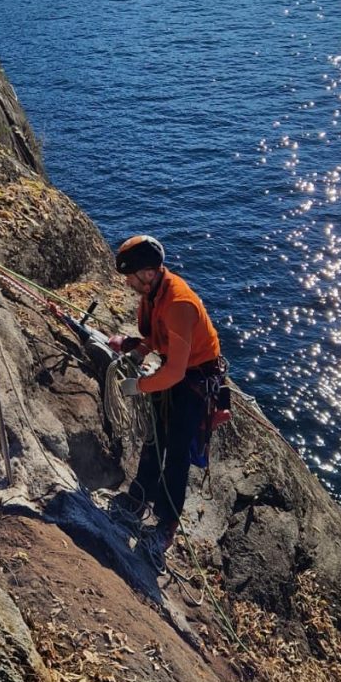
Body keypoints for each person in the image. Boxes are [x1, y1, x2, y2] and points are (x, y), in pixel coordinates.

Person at [108, 235, 224, 565]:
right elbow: (156, 338)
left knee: (176, 453)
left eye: (130, 276)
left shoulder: (178, 304)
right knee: (153, 437)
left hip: (194, 379)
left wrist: (139, 386)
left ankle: (167, 527)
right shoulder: (154, 293)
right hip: (178, 370)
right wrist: (139, 350)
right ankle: (139, 496)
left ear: (148, 273)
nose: (127, 283)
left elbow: (174, 372)